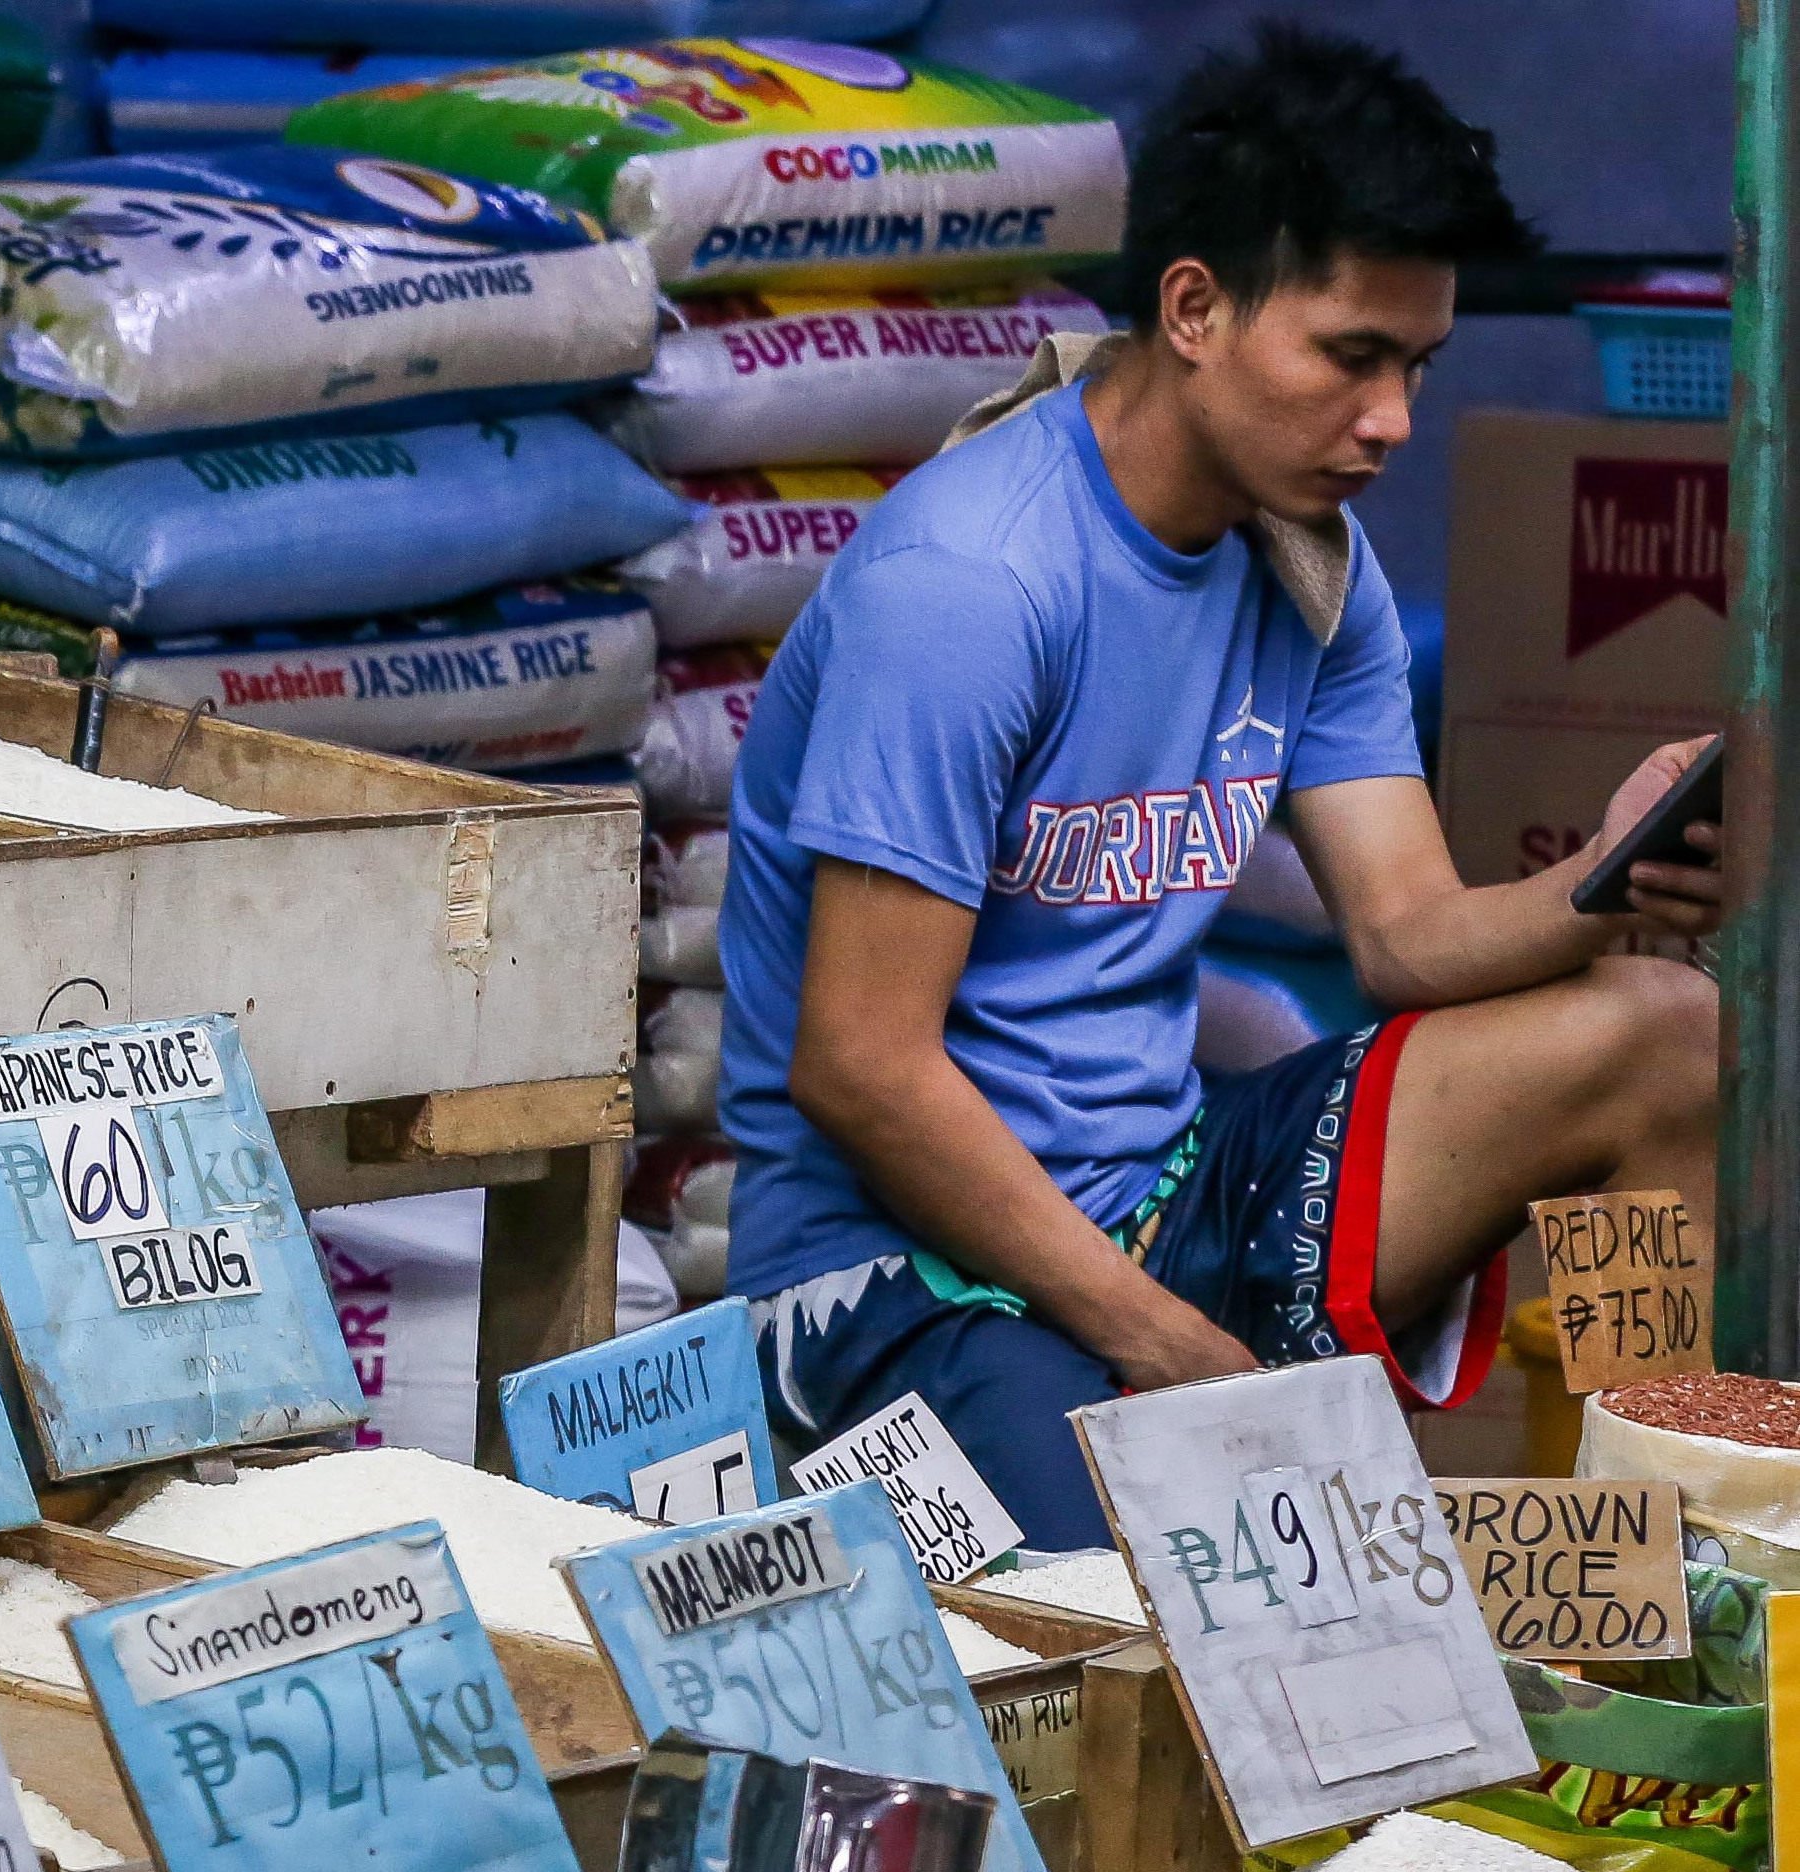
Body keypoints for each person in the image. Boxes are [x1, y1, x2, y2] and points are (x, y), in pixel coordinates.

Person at [719, 23, 1729, 1548]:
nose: (1394, 420)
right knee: (1171, 1617)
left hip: (1172, 1188)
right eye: (1351, 357)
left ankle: (1665, 1597)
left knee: (1667, 1037)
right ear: (1193, 309)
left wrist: (1608, 881)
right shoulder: (974, 583)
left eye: (1417, 366)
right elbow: (860, 1068)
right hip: (897, 1281)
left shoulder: (1310, 564)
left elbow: (1403, 940)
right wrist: (1167, 1347)